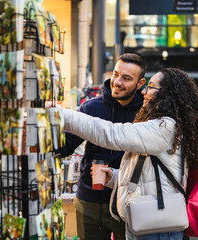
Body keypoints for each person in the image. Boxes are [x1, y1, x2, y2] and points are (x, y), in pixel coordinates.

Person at [59, 68, 198, 240]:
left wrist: (63, 115)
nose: (144, 92)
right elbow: (150, 177)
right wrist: (115, 177)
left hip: (157, 226)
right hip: (151, 221)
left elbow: (111, 134)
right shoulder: (165, 126)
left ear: (167, 94)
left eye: (151, 87)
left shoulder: (164, 127)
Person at [57, 53, 147, 240]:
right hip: (89, 200)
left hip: (128, 202)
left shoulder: (146, 114)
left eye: (126, 78)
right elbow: (65, 147)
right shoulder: (91, 108)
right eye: (115, 74)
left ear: (140, 83)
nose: (117, 82)